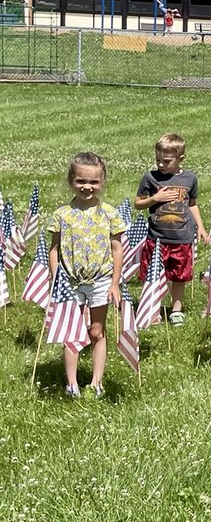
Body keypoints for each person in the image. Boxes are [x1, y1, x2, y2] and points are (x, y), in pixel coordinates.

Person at [48, 152, 129, 399]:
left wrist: (115, 283)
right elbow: (54, 249)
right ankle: (71, 384)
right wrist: (55, 279)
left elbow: (117, 249)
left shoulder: (110, 214)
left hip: (101, 280)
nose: (87, 187)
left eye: (93, 182)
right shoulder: (62, 215)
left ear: (102, 182)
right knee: (71, 332)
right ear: (71, 180)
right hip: (70, 282)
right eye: (81, 181)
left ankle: (96, 382)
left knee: (96, 330)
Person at [134, 133, 210, 326]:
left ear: (180, 159)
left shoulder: (190, 179)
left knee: (179, 276)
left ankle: (176, 310)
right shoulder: (150, 177)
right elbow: (138, 203)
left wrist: (200, 227)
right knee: (153, 275)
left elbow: (192, 204)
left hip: (182, 237)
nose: (161, 164)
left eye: (166, 161)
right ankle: (153, 308)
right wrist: (154, 199)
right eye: (158, 160)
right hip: (156, 238)